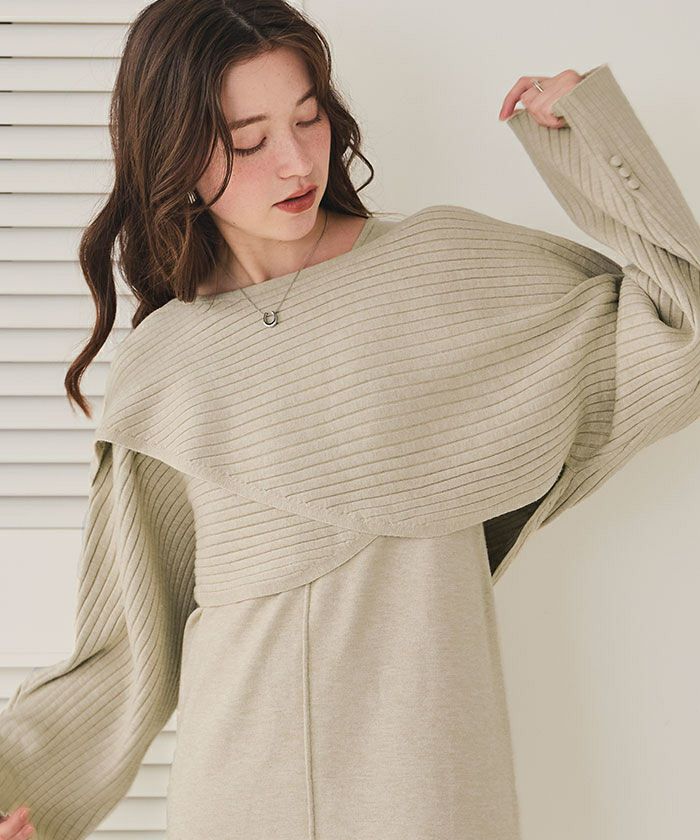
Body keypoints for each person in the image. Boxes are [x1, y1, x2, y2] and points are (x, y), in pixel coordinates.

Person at [2, 1, 699, 839]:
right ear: (176, 154)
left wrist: (587, 138)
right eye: (248, 141)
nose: (297, 161)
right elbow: (125, 655)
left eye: (308, 118)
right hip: (238, 799)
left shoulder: (441, 268)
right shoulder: (167, 364)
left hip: (432, 786)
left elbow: (683, 330)